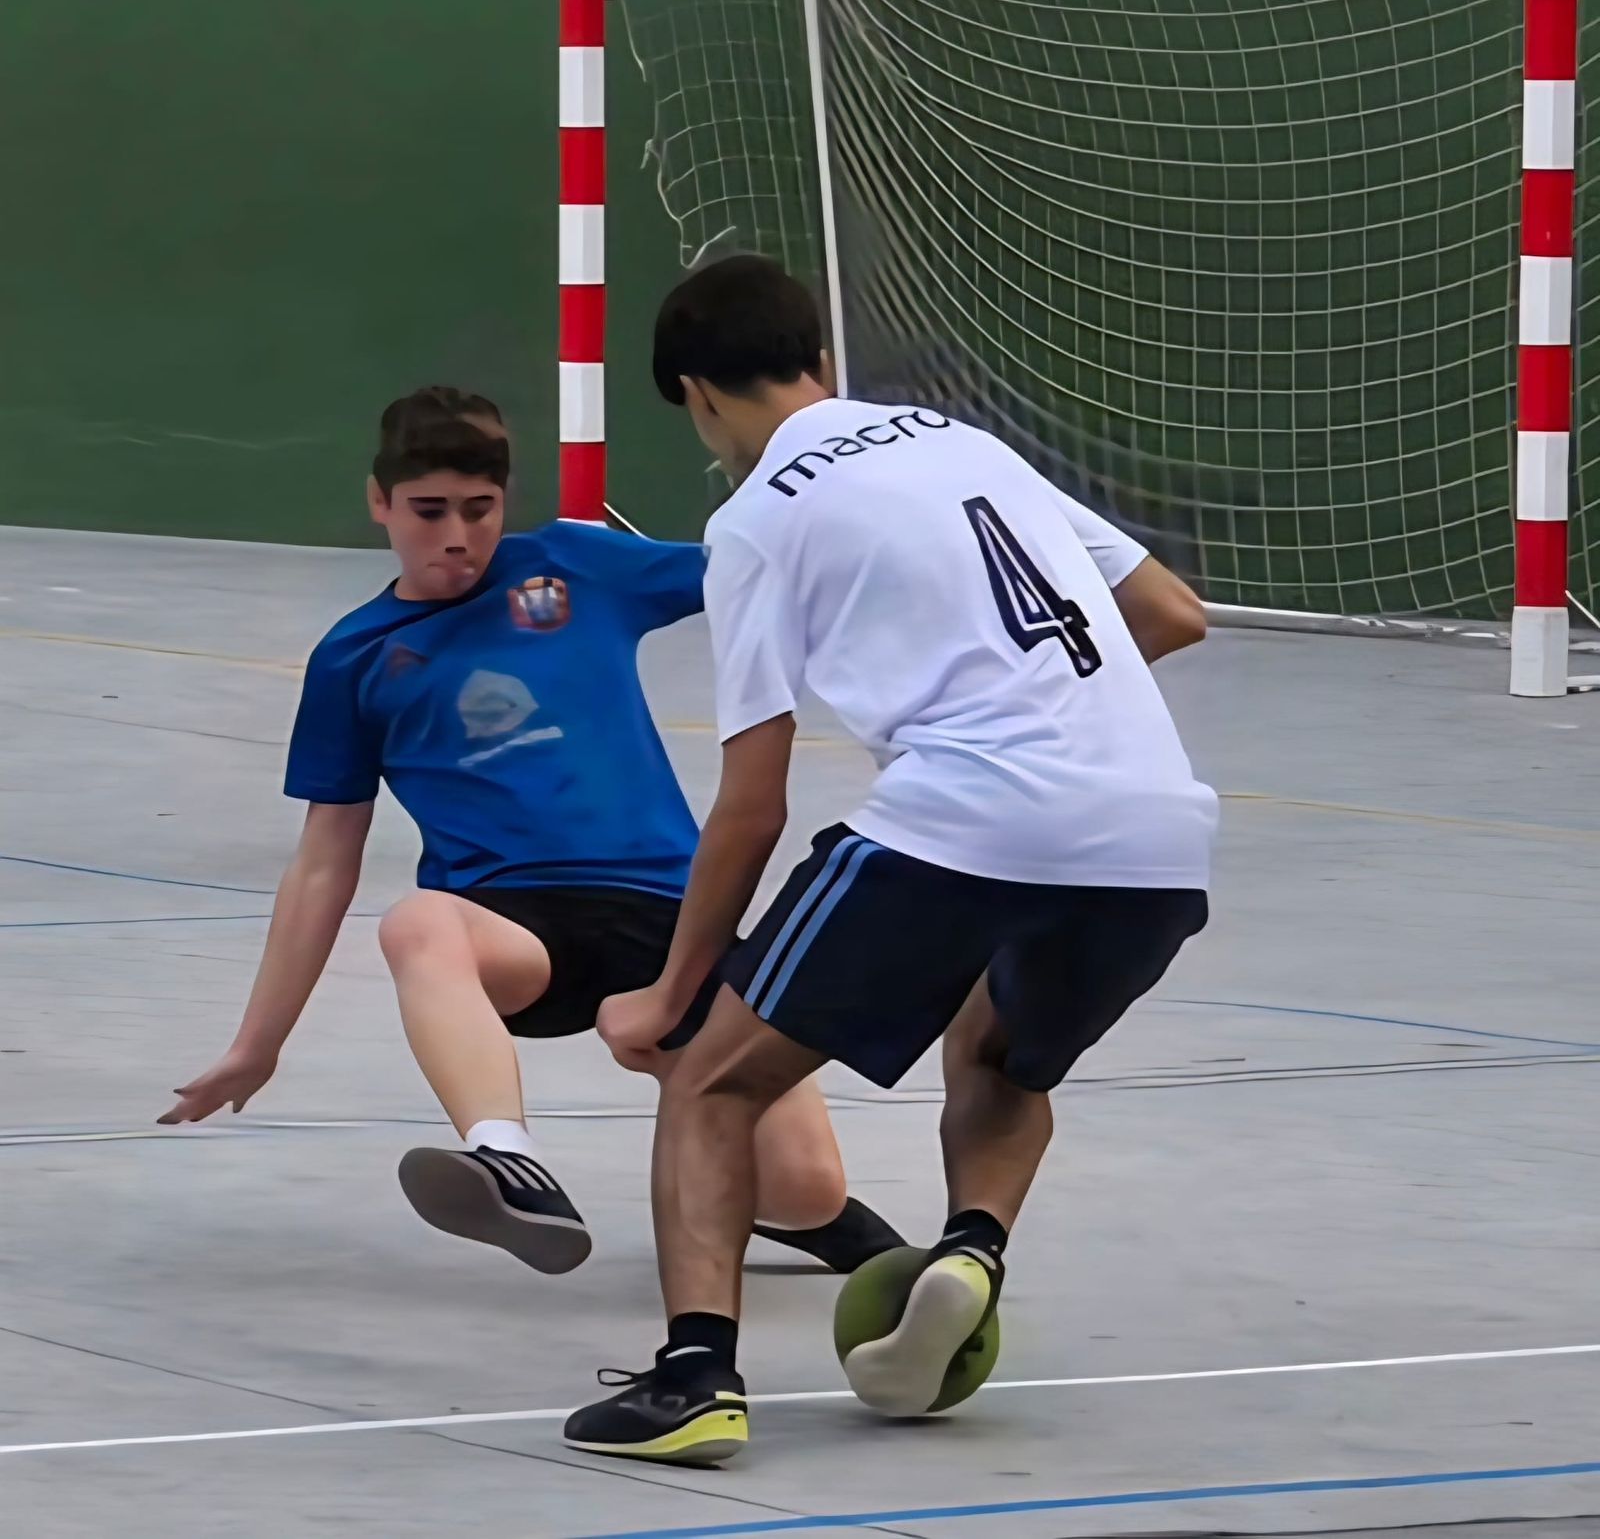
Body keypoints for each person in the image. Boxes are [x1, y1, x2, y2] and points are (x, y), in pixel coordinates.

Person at [564, 258, 1217, 1463]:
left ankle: (695, 1374)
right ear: (816, 354)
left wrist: (671, 992)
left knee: (713, 1078)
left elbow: (751, 800)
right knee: (1003, 1048)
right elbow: (1174, 612)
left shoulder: (754, 516)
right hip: (1157, 831)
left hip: (963, 815)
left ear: (699, 394)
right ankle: (969, 1249)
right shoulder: (969, 445)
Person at [159, 385, 902, 1281]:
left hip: (673, 924)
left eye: (479, 510)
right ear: (380, 503)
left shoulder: (573, 566)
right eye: (428, 512)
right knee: (417, 924)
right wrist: (258, 1043)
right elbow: (324, 863)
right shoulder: (354, 658)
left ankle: (797, 1215)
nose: (457, 536)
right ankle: (506, 1155)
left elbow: (748, 566)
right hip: (516, 930)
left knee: (807, 1190)